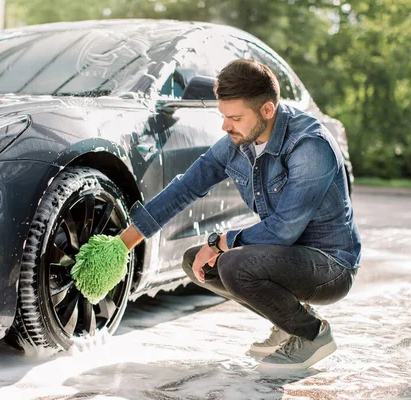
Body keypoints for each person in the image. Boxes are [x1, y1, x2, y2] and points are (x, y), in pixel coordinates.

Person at [119, 59, 362, 371]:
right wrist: (123, 243)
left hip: (331, 265)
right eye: (223, 116)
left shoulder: (310, 145)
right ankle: (288, 322)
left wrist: (222, 241)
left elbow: (283, 230)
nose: (225, 126)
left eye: (234, 117)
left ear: (267, 110)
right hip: (287, 256)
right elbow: (185, 188)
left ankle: (312, 335)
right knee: (197, 262)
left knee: (233, 263)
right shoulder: (238, 142)